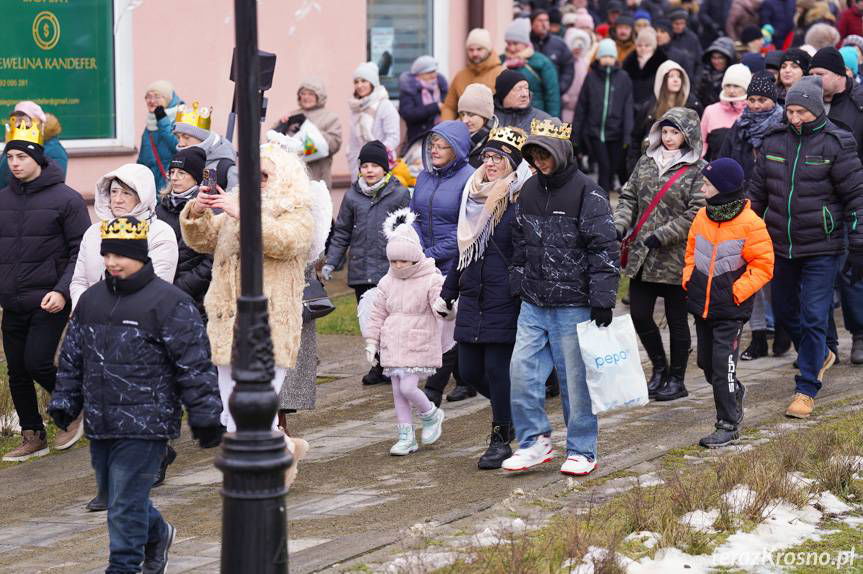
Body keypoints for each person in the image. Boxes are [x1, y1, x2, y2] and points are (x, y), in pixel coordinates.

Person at [47, 215, 224, 574]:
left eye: (121, 255)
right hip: (102, 419)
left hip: (148, 422)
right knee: (120, 497)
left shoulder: (169, 302)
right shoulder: (92, 300)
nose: (112, 262)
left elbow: (194, 364)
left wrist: (206, 416)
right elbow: (73, 356)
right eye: (107, 255)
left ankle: (123, 567)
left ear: (141, 255)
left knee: (124, 503)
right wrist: (66, 400)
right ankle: (157, 534)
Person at [503, 117, 619, 476]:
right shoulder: (529, 191)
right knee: (521, 373)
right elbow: (519, 240)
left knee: (575, 382)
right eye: (534, 156)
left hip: (574, 304)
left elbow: (604, 248)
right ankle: (533, 442)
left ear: (563, 152)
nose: (540, 162)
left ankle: (582, 449)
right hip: (533, 302)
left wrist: (603, 298)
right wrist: (517, 281)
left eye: (545, 155)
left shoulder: (589, 193)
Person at [180, 135, 314, 432]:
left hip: (269, 322)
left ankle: (269, 455)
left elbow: (285, 242)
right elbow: (204, 240)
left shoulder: (296, 211)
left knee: (259, 406)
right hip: (229, 319)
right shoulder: (236, 204)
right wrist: (198, 211)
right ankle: (246, 456)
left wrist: (244, 214)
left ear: (284, 177)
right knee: (231, 409)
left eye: (263, 175)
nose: (255, 181)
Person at [747, 76, 863, 418]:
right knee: (785, 312)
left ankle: (806, 388)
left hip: (822, 246)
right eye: (791, 111)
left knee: (814, 315)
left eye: (801, 112)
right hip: (780, 243)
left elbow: (856, 197)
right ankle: (821, 353)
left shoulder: (836, 143)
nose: (795, 118)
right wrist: (743, 231)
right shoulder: (774, 141)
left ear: (816, 110)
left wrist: (858, 243)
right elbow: (757, 193)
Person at [438, 127, 532, 469]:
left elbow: (525, 251)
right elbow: (464, 250)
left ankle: (500, 436)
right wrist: (449, 290)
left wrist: (517, 286)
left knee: (496, 369)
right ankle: (517, 414)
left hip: (503, 297)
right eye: (487, 157)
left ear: (513, 163)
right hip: (472, 296)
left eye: (499, 158)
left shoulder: (520, 198)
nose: (490, 163)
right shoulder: (473, 196)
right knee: (469, 371)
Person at [0, 117, 90, 462]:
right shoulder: (3, 199)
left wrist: (63, 291)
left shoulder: (67, 200)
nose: (15, 163)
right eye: (10, 157)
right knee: (17, 371)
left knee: (37, 362)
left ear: (38, 157)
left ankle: (75, 405)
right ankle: (32, 435)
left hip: (49, 299)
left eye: (21, 157)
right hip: (12, 300)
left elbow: (81, 250)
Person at [615, 107, 706, 400]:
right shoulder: (646, 160)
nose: (668, 137)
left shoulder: (698, 169)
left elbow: (697, 211)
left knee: (677, 320)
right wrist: (619, 224)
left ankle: (677, 379)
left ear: (687, 135)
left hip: (677, 258)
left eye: (675, 132)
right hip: (643, 255)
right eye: (665, 131)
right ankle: (659, 369)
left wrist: (663, 234)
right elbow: (629, 195)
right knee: (639, 314)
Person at [683, 159, 774, 448]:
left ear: (722, 188)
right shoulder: (702, 216)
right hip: (702, 305)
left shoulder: (751, 223)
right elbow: (690, 252)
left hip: (731, 311)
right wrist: (689, 279)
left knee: (724, 368)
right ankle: (734, 393)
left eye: (707, 184)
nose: (702, 189)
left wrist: (736, 293)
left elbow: (763, 266)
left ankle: (728, 424)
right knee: (707, 365)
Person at [323, 140, 411, 384]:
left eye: (375, 165)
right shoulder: (352, 196)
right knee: (369, 321)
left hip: (389, 270)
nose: (369, 170)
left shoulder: (399, 194)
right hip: (361, 269)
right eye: (365, 166)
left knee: (391, 320)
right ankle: (378, 365)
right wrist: (332, 261)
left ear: (385, 168)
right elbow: (342, 231)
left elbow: (409, 231)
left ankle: (395, 363)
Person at [363, 208, 447, 455]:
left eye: (403, 261)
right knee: (397, 391)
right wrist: (371, 341)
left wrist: (444, 308)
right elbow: (377, 312)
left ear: (414, 258)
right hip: (392, 342)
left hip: (417, 340)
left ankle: (430, 414)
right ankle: (406, 436)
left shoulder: (430, 278)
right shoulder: (387, 281)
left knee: (408, 388)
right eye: (393, 261)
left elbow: (439, 305)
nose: (398, 265)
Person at [718, 73, 784, 361]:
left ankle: (782, 327)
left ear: (773, 100)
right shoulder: (739, 127)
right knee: (750, 274)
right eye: (752, 100)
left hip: (776, 209)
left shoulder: (783, 126)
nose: (756, 105)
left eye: (762, 100)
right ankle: (757, 335)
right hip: (744, 209)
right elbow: (724, 162)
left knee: (775, 275)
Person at [410, 121, 474, 405]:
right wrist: (415, 247)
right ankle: (465, 380)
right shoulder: (424, 177)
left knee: (448, 323)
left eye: (442, 146)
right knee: (439, 324)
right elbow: (413, 216)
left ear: (456, 149)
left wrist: (430, 253)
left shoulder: (469, 178)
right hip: (426, 262)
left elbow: (465, 228)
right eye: (432, 146)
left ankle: (435, 388)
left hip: (454, 263)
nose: (434, 151)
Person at [70, 164, 179, 309]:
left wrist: (113, 314)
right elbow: (80, 281)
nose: (117, 199)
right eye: (114, 192)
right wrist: (84, 311)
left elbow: (155, 288)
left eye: (126, 193)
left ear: (142, 197)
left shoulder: (160, 233)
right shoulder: (93, 232)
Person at [156, 147, 213, 314]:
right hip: (161, 293)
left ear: (196, 177)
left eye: (181, 173)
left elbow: (210, 260)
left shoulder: (208, 209)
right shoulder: (160, 208)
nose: (174, 177)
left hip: (196, 299)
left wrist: (180, 288)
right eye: (172, 172)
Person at [572, 39, 635, 192]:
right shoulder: (591, 77)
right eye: (604, 56)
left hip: (616, 132)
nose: (607, 59)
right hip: (596, 133)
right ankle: (602, 198)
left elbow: (628, 107)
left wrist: (627, 135)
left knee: (612, 167)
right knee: (604, 167)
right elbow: (582, 106)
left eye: (611, 56)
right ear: (599, 57)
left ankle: (606, 193)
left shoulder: (623, 78)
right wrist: (575, 135)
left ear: (615, 58)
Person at [629, 60, 703, 172]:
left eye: (679, 76)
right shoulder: (649, 107)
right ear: (661, 80)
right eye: (671, 76)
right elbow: (635, 139)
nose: (676, 80)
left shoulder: (693, 106)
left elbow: (699, 138)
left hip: (684, 167)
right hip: (653, 167)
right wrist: (634, 169)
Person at [274, 78, 343, 188]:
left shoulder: (330, 117)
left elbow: (334, 144)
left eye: (311, 94)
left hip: (318, 179)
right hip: (293, 180)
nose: (306, 97)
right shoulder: (292, 115)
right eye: (303, 93)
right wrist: (281, 124)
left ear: (320, 96)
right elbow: (274, 142)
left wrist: (310, 132)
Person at [346, 62, 401, 181]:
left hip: (381, 166)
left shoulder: (385, 106)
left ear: (373, 83)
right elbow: (353, 143)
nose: (359, 85)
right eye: (356, 82)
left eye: (364, 81)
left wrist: (375, 156)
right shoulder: (355, 108)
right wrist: (354, 163)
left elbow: (393, 138)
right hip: (360, 168)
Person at [501, 18, 561, 117]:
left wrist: (552, 120)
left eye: (515, 43)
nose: (511, 48)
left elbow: (552, 95)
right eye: (508, 43)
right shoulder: (501, 60)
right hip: (506, 117)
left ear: (525, 43)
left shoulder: (541, 62)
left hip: (535, 117)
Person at [173, 101, 238, 191]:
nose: (181, 143)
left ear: (203, 138)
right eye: (178, 137)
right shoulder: (179, 163)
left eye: (186, 137)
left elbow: (235, 199)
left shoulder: (223, 170)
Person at [0, 102, 67, 189]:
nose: (19, 125)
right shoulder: (14, 146)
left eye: (24, 120)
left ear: (40, 123)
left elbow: (54, 183)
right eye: (15, 120)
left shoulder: (54, 151)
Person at [441, 28, 504, 121]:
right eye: (471, 50)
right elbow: (449, 107)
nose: (475, 53)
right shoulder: (460, 76)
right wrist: (447, 126)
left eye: (479, 49)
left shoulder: (501, 74)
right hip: (463, 128)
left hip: (493, 128)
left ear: (489, 50)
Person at [136, 80, 183, 191]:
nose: (151, 101)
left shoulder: (181, 119)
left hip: (171, 184)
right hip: (151, 186)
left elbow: (179, 147)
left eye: (157, 96)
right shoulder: (150, 124)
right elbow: (143, 158)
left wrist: (162, 120)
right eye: (148, 97)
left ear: (168, 99)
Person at [398, 56, 449, 155]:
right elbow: (408, 114)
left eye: (434, 71)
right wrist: (435, 107)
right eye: (429, 72)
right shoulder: (409, 89)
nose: (433, 75)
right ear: (419, 74)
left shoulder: (441, 87)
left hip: (442, 135)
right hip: (419, 138)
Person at [701, 63, 752, 159]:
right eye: (728, 85)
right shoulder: (710, 111)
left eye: (736, 86)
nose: (731, 90)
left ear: (746, 88)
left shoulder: (753, 112)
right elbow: (701, 144)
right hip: (715, 165)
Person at [531, 9, 575, 92]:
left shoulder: (559, 44)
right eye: (540, 20)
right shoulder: (526, 43)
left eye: (546, 20)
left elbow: (568, 68)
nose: (544, 24)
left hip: (553, 93)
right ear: (532, 23)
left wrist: (560, 88)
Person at [623, 27, 667, 107]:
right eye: (639, 45)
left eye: (647, 45)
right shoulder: (628, 63)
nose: (643, 48)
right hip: (632, 106)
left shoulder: (662, 63)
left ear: (653, 47)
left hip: (653, 106)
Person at [458, 83, 499, 168]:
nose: (465, 120)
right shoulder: (454, 136)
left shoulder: (497, 144)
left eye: (471, 114)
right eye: (462, 114)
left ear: (485, 116)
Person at [561, 27, 594, 123]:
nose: (578, 49)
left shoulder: (585, 63)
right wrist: (564, 96)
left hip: (580, 109)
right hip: (565, 107)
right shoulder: (564, 62)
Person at [697, 37, 737, 107]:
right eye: (713, 57)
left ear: (728, 59)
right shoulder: (704, 76)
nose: (716, 61)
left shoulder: (736, 76)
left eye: (720, 58)